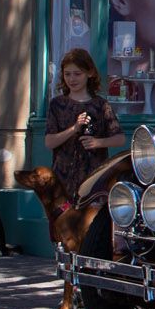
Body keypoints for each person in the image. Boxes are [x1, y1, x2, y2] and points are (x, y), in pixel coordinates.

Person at [42, 48, 124, 202]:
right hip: (64, 177)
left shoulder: (100, 105)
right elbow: (49, 142)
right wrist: (73, 129)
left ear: (89, 73)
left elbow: (119, 138)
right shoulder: (57, 104)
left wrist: (98, 142)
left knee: (92, 221)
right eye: (67, 74)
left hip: (94, 176)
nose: (72, 79)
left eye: (77, 74)